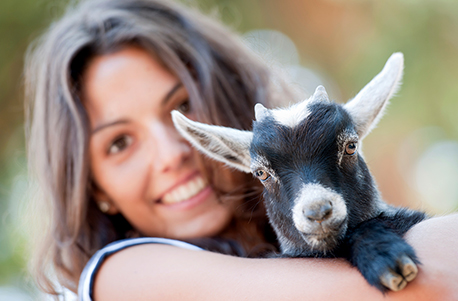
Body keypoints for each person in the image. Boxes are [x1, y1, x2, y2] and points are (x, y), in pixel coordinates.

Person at [24, 0, 458, 300]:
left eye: (182, 105)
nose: (169, 154)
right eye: (119, 143)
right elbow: (426, 287)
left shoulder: (298, 241)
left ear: (229, 95)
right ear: (93, 184)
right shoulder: (121, 275)